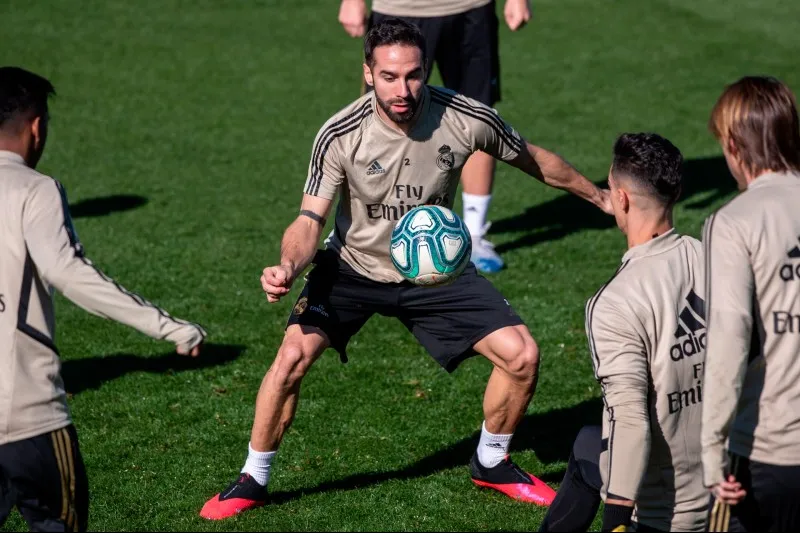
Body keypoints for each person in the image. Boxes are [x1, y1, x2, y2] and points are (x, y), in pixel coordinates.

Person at [200, 19, 612, 520]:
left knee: (522, 355)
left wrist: (599, 196)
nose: (404, 89)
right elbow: (310, 219)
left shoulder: (463, 116)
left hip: (434, 272)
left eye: (414, 75)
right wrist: (287, 265)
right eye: (390, 76)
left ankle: (491, 460)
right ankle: (253, 477)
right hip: (352, 266)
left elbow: (533, 159)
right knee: (290, 358)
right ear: (369, 73)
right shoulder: (340, 133)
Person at [0, 66, 207, 532]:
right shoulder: (36, 190)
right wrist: (169, 326)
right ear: (37, 127)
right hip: (29, 421)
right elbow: (68, 273)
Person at [539, 133, 709, 532]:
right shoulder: (713, 256)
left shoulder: (614, 303)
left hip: (670, 512)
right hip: (731, 485)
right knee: (586, 443)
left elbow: (630, 421)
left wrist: (616, 521)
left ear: (622, 199)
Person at [338, 0, 533, 274]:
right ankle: (371, 234)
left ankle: (474, 236)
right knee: (383, 121)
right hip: (399, 9)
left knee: (479, 118)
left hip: (471, 8)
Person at [701, 76, 800, 532]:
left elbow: (728, 342)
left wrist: (711, 450)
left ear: (736, 145)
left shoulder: (734, 221)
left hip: (770, 450)